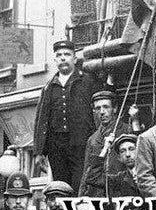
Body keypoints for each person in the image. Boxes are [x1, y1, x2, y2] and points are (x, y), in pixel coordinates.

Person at [32, 39, 112, 190]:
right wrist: (38, 152)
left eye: (67, 54)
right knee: (60, 188)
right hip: (56, 148)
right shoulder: (48, 87)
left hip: (81, 144)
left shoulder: (87, 81)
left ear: (74, 59)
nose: (63, 57)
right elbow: (41, 119)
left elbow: (104, 99)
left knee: (81, 185)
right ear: (55, 59)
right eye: (59, 55)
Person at [79, 90, 117, 198]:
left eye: (106, 107)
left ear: (115, 109)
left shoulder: (125, 130)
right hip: (96, 196)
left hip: (118, 194)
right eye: (98, 108)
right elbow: (86, 171)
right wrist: (81, 197)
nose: (102, 112)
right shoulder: (92, 139)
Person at [105, 134, 140, 200]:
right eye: (123, 151)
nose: (127, 154)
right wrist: (105, 149)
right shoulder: (119, 178)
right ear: (119, 158)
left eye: (131, 149)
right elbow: (94, 178)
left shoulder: (153, 173)